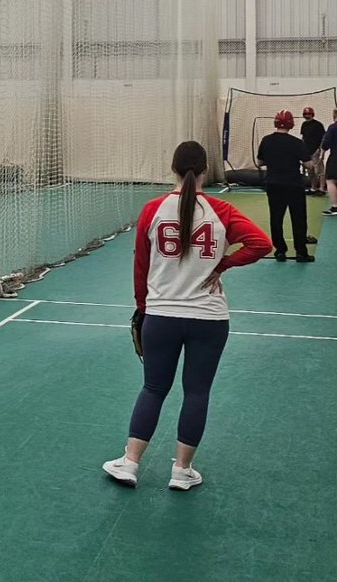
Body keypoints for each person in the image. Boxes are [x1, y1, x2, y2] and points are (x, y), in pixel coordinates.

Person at [103, 140, 272, 491]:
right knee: (196, 393)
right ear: (206, 170)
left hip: (161, 315)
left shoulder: (153, 210)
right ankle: (182, 470)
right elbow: (261, 244)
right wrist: (223, 264)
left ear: (173, 169)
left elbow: (140, 267)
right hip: (209, 318)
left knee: (153, 388)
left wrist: (143, 309)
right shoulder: (221, 211)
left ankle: (130, 463)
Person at [256, 110, 313, 262]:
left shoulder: (266, 140)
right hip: (294, 185)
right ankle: (301, 252)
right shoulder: (296, 143)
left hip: (274, 184)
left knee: (276, 218)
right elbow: (309, 164)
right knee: (298, 218)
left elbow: (260, 162)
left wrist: (274, 160)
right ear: (291, 124)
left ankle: (280, 251)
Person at [299, 106, 326, 196]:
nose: (307, 115)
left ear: (312, 114)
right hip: (307, 151)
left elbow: (323, 138)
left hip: (316, 151)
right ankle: (313, 188)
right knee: (311, 171)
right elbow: (303, 137)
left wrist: (320, 149)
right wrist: (302, 149)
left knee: (319, 170)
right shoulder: (304, 125)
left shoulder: (318, 125)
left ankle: (322, 188)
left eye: (309, 114)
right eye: (305, 114)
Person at [323, 109, 337, 218]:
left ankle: (335, 207)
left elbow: (326, 144)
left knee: (331, 180)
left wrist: (322, 153)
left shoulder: (333, 128)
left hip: (335, 157)